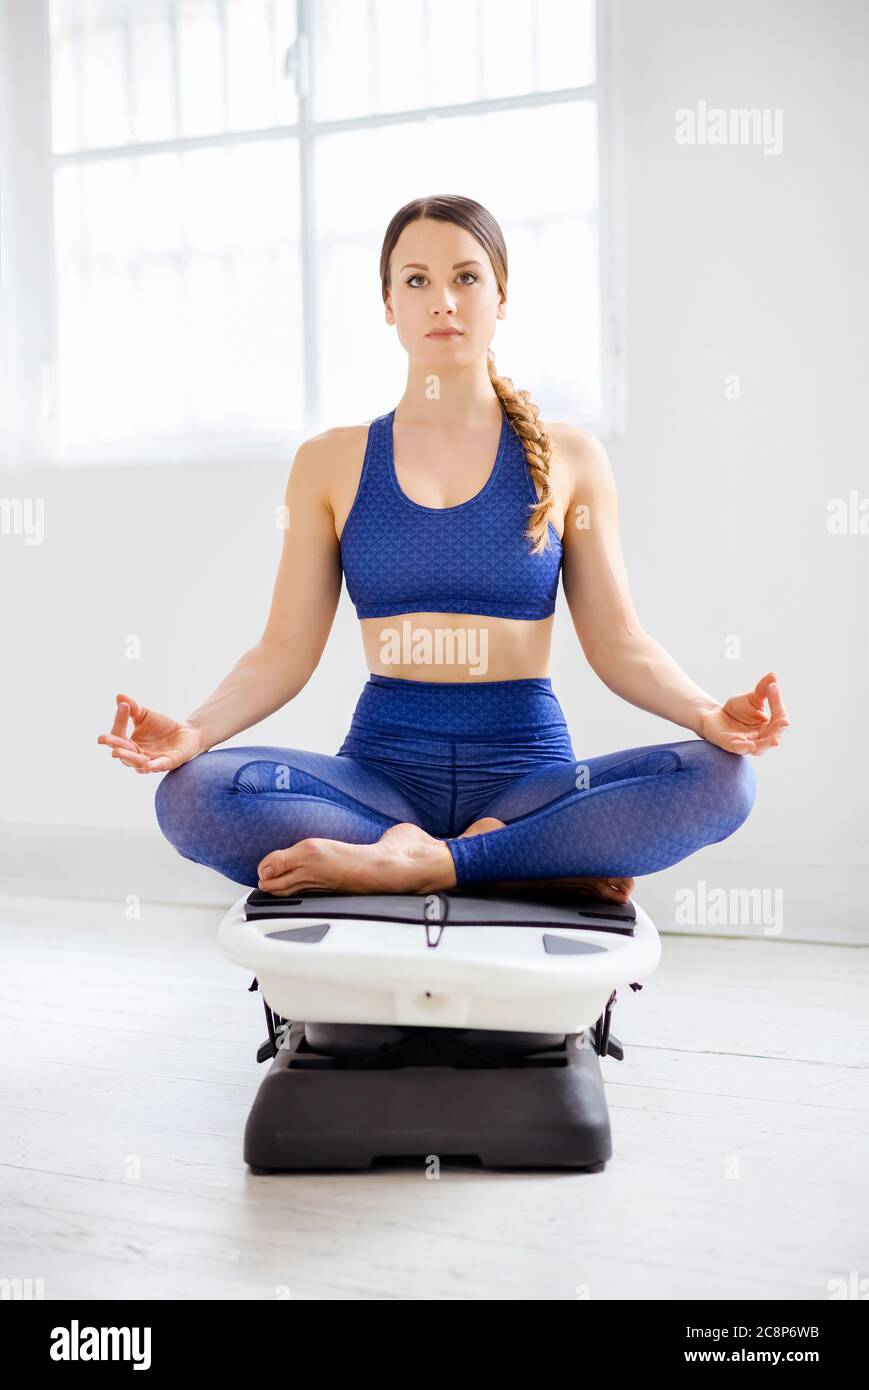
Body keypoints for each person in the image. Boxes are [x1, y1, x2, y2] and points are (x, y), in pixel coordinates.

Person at [97, 194, 789, 905]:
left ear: (501, 298)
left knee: (722, 782)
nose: (443, 302)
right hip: (380, 780)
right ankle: (519, 859)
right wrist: (193, 730)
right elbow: (282, 650)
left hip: (529, 778)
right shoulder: (329, 462)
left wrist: (708, 715)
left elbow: (619, 642)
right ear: (388, 304)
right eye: (416, 280)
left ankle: (428, 861)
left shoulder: (572, 457)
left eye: (465, 278)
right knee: (196, 794)